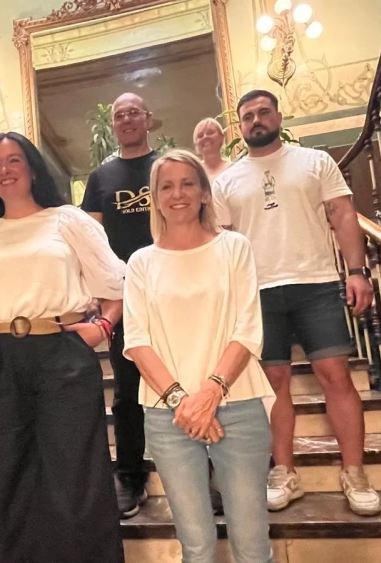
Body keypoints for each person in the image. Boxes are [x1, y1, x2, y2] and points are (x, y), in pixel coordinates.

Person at [0, 132, 125, 563]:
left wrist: (101, 327)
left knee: (75, 471)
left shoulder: (67, 222)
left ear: (32, 167)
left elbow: (118, 287)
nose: (5, 171)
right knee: (7, 473)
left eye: (14, 160)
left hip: (61, 352)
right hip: (0, 360)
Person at [212, 89, 380, 516]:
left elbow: (343, 215)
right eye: (247, 116)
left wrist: (356, 271)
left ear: (278, 116)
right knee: (273, 383)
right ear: (240, 126)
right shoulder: (226, 181)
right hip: (258, 292)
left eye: (263, 112)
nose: (256, 120)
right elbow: (222, 245)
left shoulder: (315, 162)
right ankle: (284, 471)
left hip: (316, 283)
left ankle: (355, 472)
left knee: (335, 376)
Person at [124, 149, 275, 563]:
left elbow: (248, 328)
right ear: (155, 199)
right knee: (195, 545)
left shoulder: (234, 248)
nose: (178, 194)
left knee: (251, 542)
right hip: (167, 415)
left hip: (238, 404)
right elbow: (137, 341)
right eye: (166, 187)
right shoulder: (141, 263)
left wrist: (210, 393)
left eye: (187, 184)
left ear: (205, 193)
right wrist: (183, 403)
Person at [79, 92, 155, 518]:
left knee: (191, 377)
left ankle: (205, 471)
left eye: (133, 113)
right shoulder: (101, 177)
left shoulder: (167, 165)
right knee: (127, 393)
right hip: (124, 298)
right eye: (119, 114)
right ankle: (130, 475)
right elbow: (91, 241)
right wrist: (97, 291)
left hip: (173, 291)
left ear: (147, 118)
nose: (126, 119)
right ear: (113, 124)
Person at [193, 117, 233, 181]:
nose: (205, 137)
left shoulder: (233, 168)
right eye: (200, 136)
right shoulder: (193, 171)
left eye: (210, 133)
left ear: (222, 137)